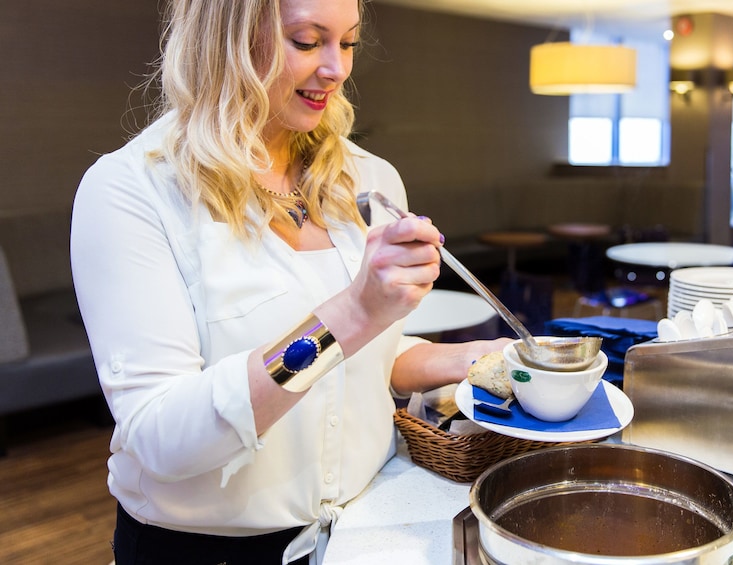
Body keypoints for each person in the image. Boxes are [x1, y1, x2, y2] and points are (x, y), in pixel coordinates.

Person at [70, 0, 508, 563]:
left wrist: (473, 358)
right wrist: (355, 312)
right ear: (225, 39)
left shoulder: (367, 177)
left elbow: (360, 358)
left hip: (363, 526)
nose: (338, 68)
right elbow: (162, 439)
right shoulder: (134, 191)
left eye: (348, 42)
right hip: (211, 550)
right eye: (306, 41)